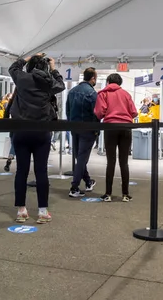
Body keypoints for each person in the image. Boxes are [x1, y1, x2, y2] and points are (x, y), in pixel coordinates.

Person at [9, 54, 65, 223]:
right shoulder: (48, 82)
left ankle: (21, 210)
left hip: (21, 131)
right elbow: (61, 85)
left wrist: (27, 58)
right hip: (42, 132)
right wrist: (54, 69)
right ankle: (42, 211)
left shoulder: (22, 78)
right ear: (45, 67)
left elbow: (13, 68)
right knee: (41, 172)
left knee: (21, 171)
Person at [95, 73, 138, 202]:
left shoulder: (103, 94)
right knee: (124, 162)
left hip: (110, 128)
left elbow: (99, 112)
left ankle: (108, 194)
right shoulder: (126, 94)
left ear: (108, 81)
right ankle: (125, 194)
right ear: (120, 83)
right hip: (125, 128)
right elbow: (134, 112)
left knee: (111, 162)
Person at [66, 67, 98, 198]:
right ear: (92, 78)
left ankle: (88, 181)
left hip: (75, 128)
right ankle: (74, 188)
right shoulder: (92, 93)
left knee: (79, 157)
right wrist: (96, 130)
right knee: (82, 158)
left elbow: (68, 111)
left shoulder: (72, 92)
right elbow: (96, 113)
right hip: (88, 129)